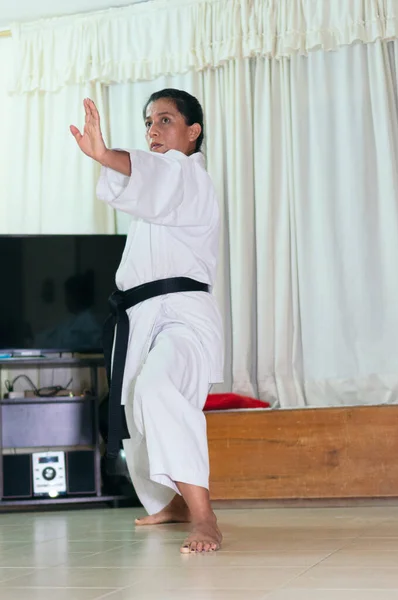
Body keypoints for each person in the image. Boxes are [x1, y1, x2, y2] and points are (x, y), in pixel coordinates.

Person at [70, 90, 224, 553]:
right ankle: (174, 501)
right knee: (137, 410)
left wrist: (103, 153)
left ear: (192, 132)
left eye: (165, 120)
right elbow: (143, 189)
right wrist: (110, 160)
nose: (153, 130)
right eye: (148, 123)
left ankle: (205, 516)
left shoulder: (191, 177)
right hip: (141, 317)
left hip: (181, 316)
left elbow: (154, 177)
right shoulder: (158, 197)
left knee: (158, 389)